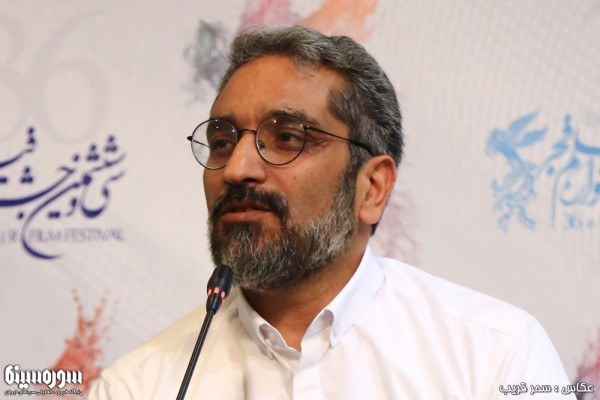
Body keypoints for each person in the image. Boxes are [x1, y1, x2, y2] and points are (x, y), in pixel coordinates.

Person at [88, 25, 573, 399]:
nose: (236, 168)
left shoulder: (496, 356)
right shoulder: (140, 385)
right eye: (222, 141)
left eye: (287, 137)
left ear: (372, 188)